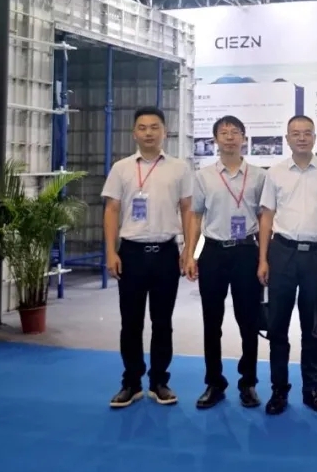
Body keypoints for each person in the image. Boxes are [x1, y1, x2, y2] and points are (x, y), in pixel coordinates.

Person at [102, 107, 193, 409]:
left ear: (165, 132)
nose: (149, 132)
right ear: (134, 133)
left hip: (166, 253)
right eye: (142, 127)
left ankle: (159, 382)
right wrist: (111, 251)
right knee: (130, 322)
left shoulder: (179, 168)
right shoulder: (121, 168)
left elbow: (188, 210)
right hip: (131, 253)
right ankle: (131, 383)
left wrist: (188, 250)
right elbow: (112, 210)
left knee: (162, 322)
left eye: (155, 127)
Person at [257, 115, 317, 415]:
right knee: (277, 327)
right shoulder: (276, 173)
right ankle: (279, 390)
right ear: (287, 139)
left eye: (307, 133)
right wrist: (263, 258)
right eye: (296, 133)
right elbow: (267, 216)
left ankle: (312, 389)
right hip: (282, 253)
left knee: (312, 328)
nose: (302, 138)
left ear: (315, 138)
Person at [184, 115, 267, 410]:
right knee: (212, 321)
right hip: (214, 252)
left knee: (249, 321)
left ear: (244, 138)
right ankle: (214, 383)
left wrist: (264, 258)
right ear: (215, 139)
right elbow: (195, 216)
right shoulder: (204, 176)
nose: (229, 137)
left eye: (235, 132)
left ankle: (248, 383)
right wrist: (190, 253)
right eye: (223, 132)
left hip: (246, 252)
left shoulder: (259, 176)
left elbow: (265, 218)